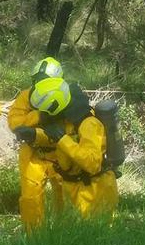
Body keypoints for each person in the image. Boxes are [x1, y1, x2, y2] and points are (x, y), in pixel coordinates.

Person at [26, 77, 118, 218]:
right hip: (73, 188)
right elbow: (61, 139)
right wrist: (34, 135)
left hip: (93, 192)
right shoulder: (67, 120)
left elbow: (92, 163)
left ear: (54, 106)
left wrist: (62, 139)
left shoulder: (89, 124)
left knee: (94, 237)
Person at [8, 57, 68, 231]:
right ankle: (33, 236)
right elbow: (15, 123)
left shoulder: (67, 96)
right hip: (33, 154)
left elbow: (70, 130)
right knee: (30, 198)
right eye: (38, 82)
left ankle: (65, 232)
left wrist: (37, 132)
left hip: (61, 153)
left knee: (65, 195)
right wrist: (38, 116)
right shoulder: (26, 96)